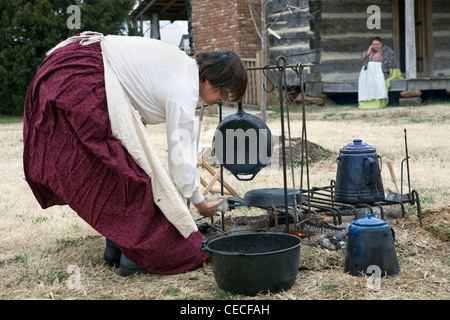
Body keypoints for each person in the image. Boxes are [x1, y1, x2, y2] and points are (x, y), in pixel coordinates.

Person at [23, 32, 248, 276]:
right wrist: (200, 203)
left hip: (72, 66)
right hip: (82, 76)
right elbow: (180, 157)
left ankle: (118, 244)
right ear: (211, 79)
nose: (223, 100)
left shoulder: (181, 67)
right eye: (224, 93)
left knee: (116, 171)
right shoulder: (185, 86)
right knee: (129, 177)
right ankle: (139, 256)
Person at [358, 36, 402, 109]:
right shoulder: (370, 50)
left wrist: (382, 71)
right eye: (374, 44)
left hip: (382, 71)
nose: (375, 46)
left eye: (377, 44)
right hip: (370, 74)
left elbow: (389, 62)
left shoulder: (387, 51)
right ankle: (367, 103)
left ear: (381, 43)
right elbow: (362, 59)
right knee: (367, 84)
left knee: (379, 83)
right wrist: (368, 52)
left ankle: (378, 103)